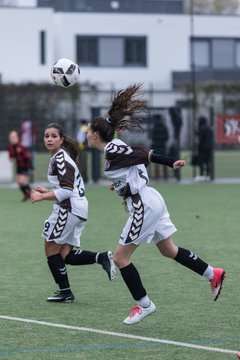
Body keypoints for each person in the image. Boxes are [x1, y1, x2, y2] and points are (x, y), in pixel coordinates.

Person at [86, 83, 226, 325]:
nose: (86, 133)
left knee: (120, 258)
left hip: (144, 206)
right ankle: (212, 274)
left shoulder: (112, 150)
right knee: (168, 250)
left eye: (88, 130)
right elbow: (132, 168)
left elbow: (142, 154)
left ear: (95, 134)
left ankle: (145, 305)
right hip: (151, 199)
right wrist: (120, 187)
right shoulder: (113, 152)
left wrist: (171, 162)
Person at [31, 123, 116, 303]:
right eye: (46, 136)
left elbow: (67, 190)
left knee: (50, 248)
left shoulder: (61, 159)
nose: (49, 139)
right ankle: (100, 258)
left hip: (68, 208)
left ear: (61, 139)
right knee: (64, 255)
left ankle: (65, 292)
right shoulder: (59, 157)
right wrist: (48, 190)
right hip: (77, 208)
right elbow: (66, 187)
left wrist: (43, 196)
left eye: (54, 136)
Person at [8, 130, 33, 202]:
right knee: (19, 183)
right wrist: (12, 158)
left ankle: (31, 193)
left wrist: (31, 168)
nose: (12, 139)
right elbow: (11, 157)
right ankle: (26, 194)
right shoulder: (11, 147)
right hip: (18, 167)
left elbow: (27, 157)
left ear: (17, 138)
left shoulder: (21, 146)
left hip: (24, 166)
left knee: (22, 182)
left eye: (13, 137)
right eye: (11, 137)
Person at [151, 113, 169, 180]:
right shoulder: (164, 127)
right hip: (163, 146)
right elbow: (167, 137)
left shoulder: (155, 127)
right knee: (164, 161)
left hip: (156, 146)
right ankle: (165, 176)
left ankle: (157, 176)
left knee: (156, 161)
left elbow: (153, 138)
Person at [196, 116, 214, 181]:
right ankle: (208, 175)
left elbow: (201, 139)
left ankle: (201, 175)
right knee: (208, 162)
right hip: (209, 148)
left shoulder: (201, 128)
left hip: (202, 148)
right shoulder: (209, 128)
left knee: (201, 162)